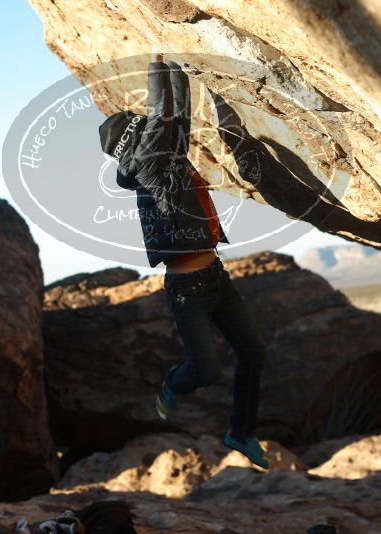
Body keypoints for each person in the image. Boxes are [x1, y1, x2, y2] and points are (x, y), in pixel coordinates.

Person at [98, 53, 270, 469]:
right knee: (206, 372)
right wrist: (161, 62)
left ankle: (241, 433)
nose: (154, 133)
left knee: (255, 354)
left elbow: (178, 119)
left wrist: (179, 70)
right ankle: (173, 385)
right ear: (134, 145)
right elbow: (162, 117)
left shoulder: (167, 157)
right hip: (188, 292)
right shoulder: (149, 169)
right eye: (144, 133)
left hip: (215, 278)